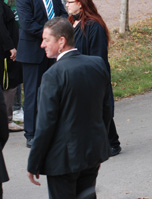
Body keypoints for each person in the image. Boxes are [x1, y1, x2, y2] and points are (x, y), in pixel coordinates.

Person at [27, 18, 112, 198]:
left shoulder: (53, 75)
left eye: (46, 40)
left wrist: (33, 162)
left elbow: (45, 124)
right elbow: (106, 110)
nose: (42, 45)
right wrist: (99, 146)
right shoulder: (97, 64)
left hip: (62, 160)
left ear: (61, 41)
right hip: (90, 153)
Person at [16, 0, 68, 148]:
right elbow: (28, 24)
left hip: (54, 52)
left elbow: (62, 13)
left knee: (53, 91)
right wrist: (52, 35)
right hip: (33, 52)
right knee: (32, 92)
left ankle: (51, 128)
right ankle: (31, 133)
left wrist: (58, 36)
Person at [65, 0, 122, 157]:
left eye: (69, 2)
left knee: (98, 109)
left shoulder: (93, 26)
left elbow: (98, 57)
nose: (66, 5)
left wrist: (92, 77)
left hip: (91, 74)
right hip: (74, 73)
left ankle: (112, 143)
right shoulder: (69, 22)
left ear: (80, 4)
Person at [0, 0, 24, 132]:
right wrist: (10, 47)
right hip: (9, 51)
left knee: (15, 81)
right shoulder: (4, 2)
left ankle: (14, 111)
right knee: (9, 83)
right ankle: (7, 119)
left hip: (17, 46)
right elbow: (2, 28)